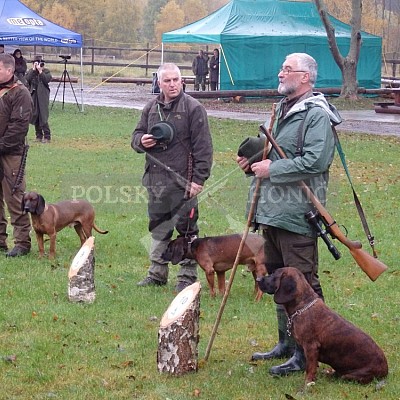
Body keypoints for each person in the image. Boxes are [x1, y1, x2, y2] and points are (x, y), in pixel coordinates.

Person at [237, 53, 341, 376]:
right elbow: (276, 150)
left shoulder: (317, 116)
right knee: (278, 282)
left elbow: (315, 161)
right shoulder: (283, 109)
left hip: (298, 215)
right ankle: (286, 342)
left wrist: (272, 168)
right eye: (281, 67)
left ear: (306, 77)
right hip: (272, 213)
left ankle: (306, 351)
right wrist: (253, 160)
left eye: (288, 69)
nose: (281, 72)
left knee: (304, 285)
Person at [131, 63, 213, 292]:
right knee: (158, 226)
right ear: (159, 83)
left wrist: (198, 180)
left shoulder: (193, 108)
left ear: (182, 81)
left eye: (176, 80)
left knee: (187, 228)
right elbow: (135, 136)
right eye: (167, 81)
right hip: (155, 181)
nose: (173, 84)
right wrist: (141, 141)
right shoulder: (150, 107)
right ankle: (157, 273)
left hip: (183, 182)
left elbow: (204, 148)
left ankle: (187, 276)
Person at [0, 53, 33, 257]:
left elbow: (18, 128)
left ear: (10, 70)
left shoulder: (20, 93)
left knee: (14, 198)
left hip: (11, 153)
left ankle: (22, 242)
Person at [25, 56, 52, 143]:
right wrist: (33, 70)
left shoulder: (46, 71)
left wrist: (40, 71)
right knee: (35, 114)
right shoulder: (31, 72)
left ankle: (47, 136)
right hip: (34, 95)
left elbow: (47, 79)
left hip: (43, 96)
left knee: (43, 115)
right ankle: (38, 135)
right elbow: (27, 80)